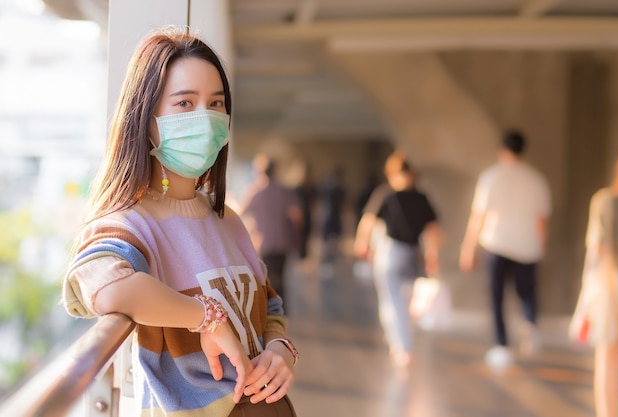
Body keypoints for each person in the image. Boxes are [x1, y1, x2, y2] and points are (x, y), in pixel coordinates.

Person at [61, 26, 299, 417]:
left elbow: (269, 306)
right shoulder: (131, 223)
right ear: (147, 116)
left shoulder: (229, 221)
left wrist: (279, 351)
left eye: (216, 103)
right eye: (185, 103)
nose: (205, 118)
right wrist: (206, 319)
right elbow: (104, 283)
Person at [459, 129, 551, 369]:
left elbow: (478, 216)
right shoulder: (536, 179)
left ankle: (501, 346)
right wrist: (541, 246)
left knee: (496, 297)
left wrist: (468, 247)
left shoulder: (491, 177)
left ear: (502, 150)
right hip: (527, 245)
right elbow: (541, 219)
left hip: (497, 244)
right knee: (527, 294)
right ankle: (529, 324)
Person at [353, 150, 442, 368]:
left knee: (391, 301)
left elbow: (368, 220)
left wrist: (361, 242)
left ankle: (402, 346)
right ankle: (402, 340)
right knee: (404, 301)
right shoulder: (421, 197)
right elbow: (431, 231)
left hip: (391, 252)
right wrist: (432, 257)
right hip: (413, 254)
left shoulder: (386, 194)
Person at [569, 151, 618, 417]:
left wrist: (587, 289)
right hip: (612, 281)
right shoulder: (606, 201)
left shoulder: (605, 201)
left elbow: (596, 249)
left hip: (612, 282)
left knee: (607, 354)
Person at [240, 154, 304, 312]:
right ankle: (281, 309)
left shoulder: (255, 192)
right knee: (280, 276)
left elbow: (241, 213)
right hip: (283, 241)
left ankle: (271, 309)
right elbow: (297, 215)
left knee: (266, 277)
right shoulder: (284, 191)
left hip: (264, 242)